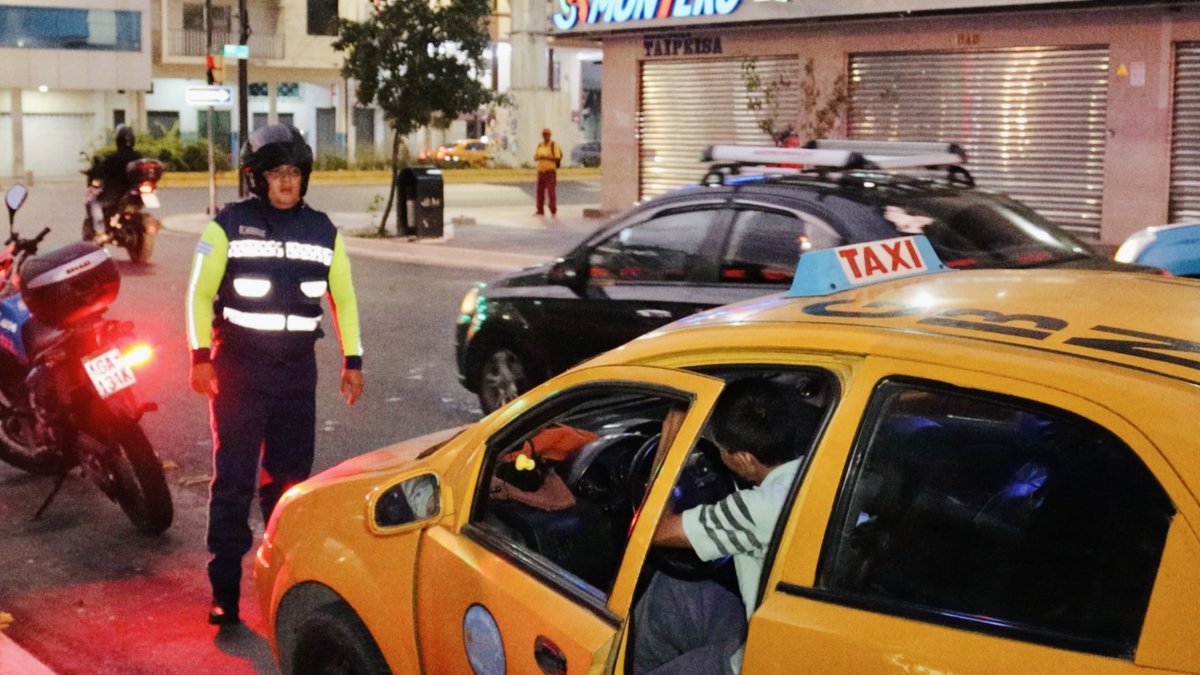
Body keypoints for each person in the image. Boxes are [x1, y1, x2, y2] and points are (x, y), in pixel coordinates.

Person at [185, 122, 365, 626]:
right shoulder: (227, 226)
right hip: (238, 370)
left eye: (294, 172)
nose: (286, 182)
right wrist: (199, 355)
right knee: (234, 481)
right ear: (256, 179)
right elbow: (200, 293)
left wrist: (354, 359)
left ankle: (283, 580)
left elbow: (343, 297)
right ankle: (224, 589)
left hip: (295, 375)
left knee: (289, 483)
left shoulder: (323, 230)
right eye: (275, 173)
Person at [632, 378, 823, 674]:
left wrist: (670, 446)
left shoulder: (763, 508)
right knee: (672, 587)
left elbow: (653, 530)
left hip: (765, 660)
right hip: (798, 633)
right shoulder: (819, 467)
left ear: (745, 459)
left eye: (721, 447)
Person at [84, 124, 141, 241]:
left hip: (115, 194)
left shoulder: (112, 158)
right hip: (135, 193)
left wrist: (93, 172)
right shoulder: (139, 157)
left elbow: (99, 171)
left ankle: (100, 232)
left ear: (118, 141)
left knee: (94, 203)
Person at [533, 127, 563, 217]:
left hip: (550, 171)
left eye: (547, 134)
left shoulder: (554, 145)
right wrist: (539, 157)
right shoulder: (540, 145)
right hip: (541, 171)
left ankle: (553, 209)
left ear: (550, 135)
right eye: (544, 134)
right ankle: (540, 209)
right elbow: (535, 157)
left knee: (551, 191)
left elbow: (558, 157)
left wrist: (546, 157)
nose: (545, 136)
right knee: (539, 192)